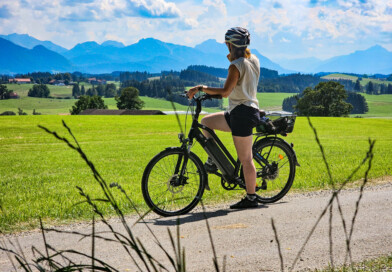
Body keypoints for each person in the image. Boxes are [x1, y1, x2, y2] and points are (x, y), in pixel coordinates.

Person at [187, 27, 261, 209]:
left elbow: (226, 92)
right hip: (242, 111)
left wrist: (201, 88)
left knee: (246, 159)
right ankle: (214, 160)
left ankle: (251, 197)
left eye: (227, 43)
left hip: (243, 114)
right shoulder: (253, 60)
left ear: (231, 45)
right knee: (205, 123)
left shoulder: (236, 65)